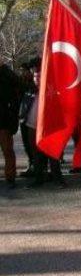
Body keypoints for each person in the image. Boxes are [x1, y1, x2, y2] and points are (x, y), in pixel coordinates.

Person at [0, 59, 20, 189]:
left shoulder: (7, 74)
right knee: (8, 150)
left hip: (4, 120)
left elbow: (18, 86)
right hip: (5, 119)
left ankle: (10, 176)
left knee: (7, 150)